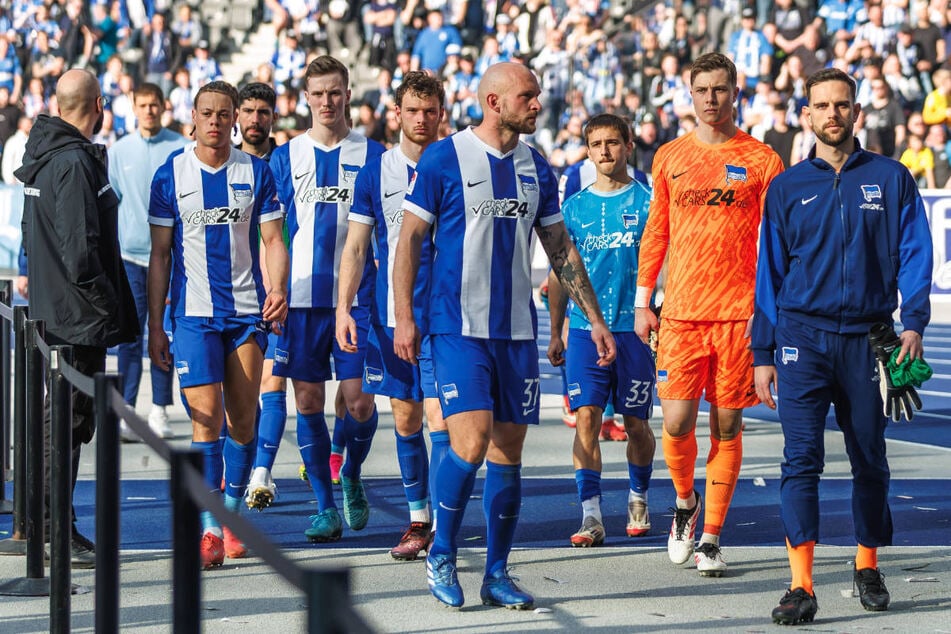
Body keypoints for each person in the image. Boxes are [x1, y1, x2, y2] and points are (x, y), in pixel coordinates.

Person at [393, 61, 616, 610]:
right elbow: (409, 242)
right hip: (457, 328)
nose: (538, 104)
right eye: (528, 96)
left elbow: (561, 249)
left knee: (508, 454)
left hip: (516, 333)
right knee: (468, 444)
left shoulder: (536, 166)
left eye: (537, 95)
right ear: (494, 102)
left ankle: (496, 573)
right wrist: (405, 315)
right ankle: (442, 552)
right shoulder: (446, 157)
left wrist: (595, 319)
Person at [752, 67, 933, 625]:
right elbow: (769, 275)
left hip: (869, 339)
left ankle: (867, 565)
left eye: (842, 105)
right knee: (799, 461)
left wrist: (914, 322)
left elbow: (915, 251)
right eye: (821, 106)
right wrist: (763, 353)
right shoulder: (785, 187)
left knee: (869, 460)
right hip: (801, 341)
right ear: (806, 115)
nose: (832, 115)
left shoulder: (892, 177)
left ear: (858, 112)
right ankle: (801, 585)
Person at [633, 52, 784, 577]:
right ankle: (683, 503)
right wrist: (642, 300)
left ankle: (713, 537)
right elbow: (657, 232)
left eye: (721, 89)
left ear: (735, 92)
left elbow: (778, 244)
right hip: (679, 315)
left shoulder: (763, 160)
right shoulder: (671, 156)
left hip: (739, 317)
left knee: (726, 422)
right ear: (690, 94)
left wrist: (772, 313)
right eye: (703, 90)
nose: (712, 99)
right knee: (674, 422)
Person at [147, 80, 289, 570]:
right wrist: (156, 325)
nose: (214, 121)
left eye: (222, 114)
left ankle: (230, 518)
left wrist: (278, 288)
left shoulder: (257, 172)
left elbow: (273, 239)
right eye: (206, 112)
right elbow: (160, 255)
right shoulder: (171, 174)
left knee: (242, 420)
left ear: (234, 119)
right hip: (193, 316)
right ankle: (210, 529)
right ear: (194, 115)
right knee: (205, 417)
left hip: (247, 311)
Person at [16, 68, 138, 568]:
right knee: (66, 422)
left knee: (62, 421)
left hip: (61, 310)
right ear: (98, 105)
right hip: (76, 315)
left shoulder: (52, 155)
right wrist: (106, 305)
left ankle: (46, 520)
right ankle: (51, 527)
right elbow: (79, 250)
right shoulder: (70, 162)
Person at [268, 55, 385, 542]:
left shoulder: (374, 155)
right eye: (318, 93)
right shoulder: (284, 157)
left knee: (358, 403)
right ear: (305, 99)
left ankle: (352, 471)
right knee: (310, 401)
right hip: (300, 298)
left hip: (357, 299)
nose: (327, 101)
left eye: (335, 92)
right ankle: (324, 507)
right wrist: (272, 289)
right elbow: (270, 234)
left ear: (348, 95)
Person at [335, 71, 447, 561]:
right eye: (412, 110)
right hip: (388, 317)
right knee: (406, 418)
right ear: (396, 114)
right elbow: (357, 245)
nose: (421, 119)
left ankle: (443, 520)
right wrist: (343, 307)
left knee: (443, 421)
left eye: (430, 110)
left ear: (441, 113)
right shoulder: (376, 172)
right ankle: (418, 518)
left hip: (447, 318)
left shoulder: (459, 162)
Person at [546, 113, 657, 548]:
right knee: (586, 418)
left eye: (613, 142)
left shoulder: (647, 203)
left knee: (636, 424)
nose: (605, 152)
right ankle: (591, 514)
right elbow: (560, 273)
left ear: (628, 145)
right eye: (596, 145)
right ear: (587, 151)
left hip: (632, 332)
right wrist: (555, 330)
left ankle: (638, 495)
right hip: (583, 332)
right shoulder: (572, 208)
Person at [108, 82, 187, 441]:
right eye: (143, 105)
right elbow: (112, 205)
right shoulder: (118, 150)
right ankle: (126, 411)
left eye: (154, 105)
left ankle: (158, 409)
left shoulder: (181, 148)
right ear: (134, 107)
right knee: (128, 337)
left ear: (163, 106)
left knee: (163, 334)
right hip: (129, 258)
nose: (149, 111)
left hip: (170, 260)